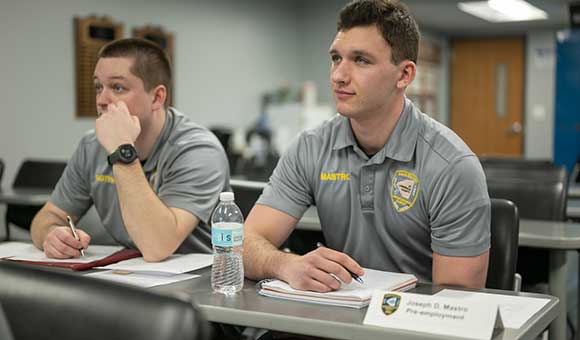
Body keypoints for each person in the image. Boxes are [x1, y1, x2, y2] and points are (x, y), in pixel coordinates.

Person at [243, 0, 490, 290]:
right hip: (335, 318)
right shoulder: (310, 148)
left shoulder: (452, 165)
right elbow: (242, 244)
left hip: (413, 325)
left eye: (361, 60)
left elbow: (456, 302)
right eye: (336, 58)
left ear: (404, 75)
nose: (338, 75)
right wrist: (286, 264)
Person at [30, 38, 229, 261]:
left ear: (157, 97)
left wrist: (121, 150)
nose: (102, 100)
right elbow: (49, 216)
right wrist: (51, 234)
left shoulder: (198, 150)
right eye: (98, 87)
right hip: (131, 274)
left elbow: (156, 247)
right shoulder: (92, 145)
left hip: (198, 281)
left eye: (117, 87)